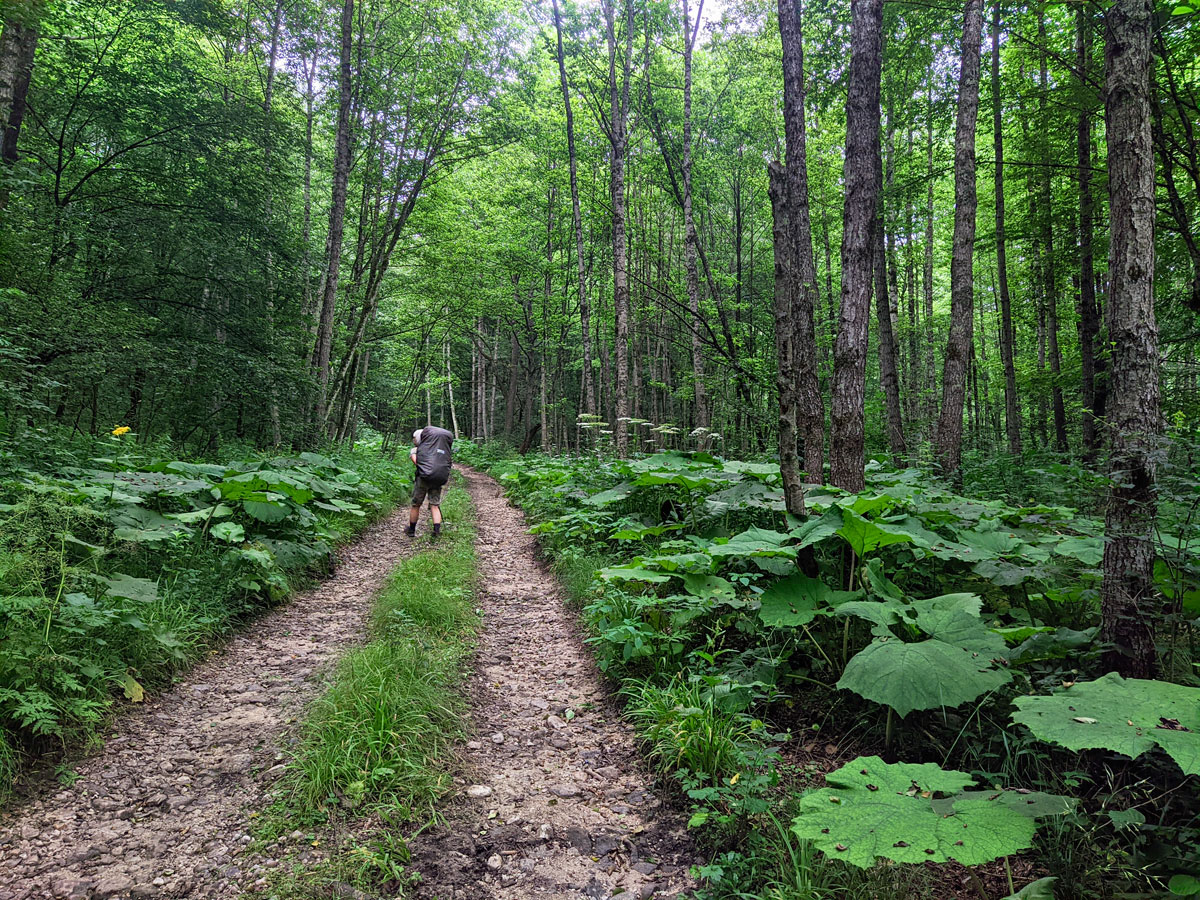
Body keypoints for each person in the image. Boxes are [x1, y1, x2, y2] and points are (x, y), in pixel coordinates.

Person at [407, 425, 454, 537]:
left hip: (423, 478)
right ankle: (436, 531)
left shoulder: (417, 449)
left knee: (416, 505)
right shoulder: (438, 450)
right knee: (434, 505)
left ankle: (411, 530)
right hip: (437, 478)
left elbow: (417, 462)